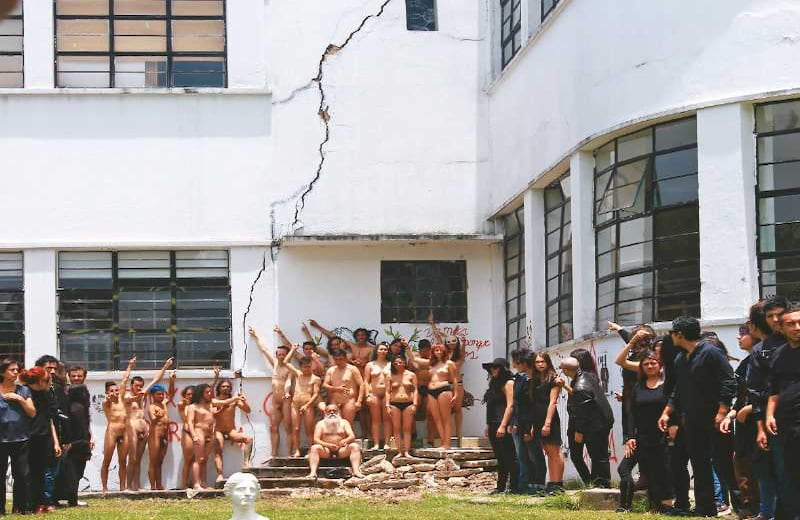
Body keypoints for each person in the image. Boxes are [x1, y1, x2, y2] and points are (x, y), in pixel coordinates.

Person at [658, 316, 739, 517]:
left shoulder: (711, 353)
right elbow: (679, 389)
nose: (671, 337)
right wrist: (667, 412)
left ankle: (743, 507)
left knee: (723, 463)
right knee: (699, 463)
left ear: (680, 334)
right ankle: (705, 509)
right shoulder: (681, 358)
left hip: (714, 419)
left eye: (672, 332)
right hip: (692, 420)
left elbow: (729, 382)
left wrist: (722, 412)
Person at [622, 351, 672, 513]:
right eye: (646, 364)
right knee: (649, 471)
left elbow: (675, 408)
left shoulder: (668, 385)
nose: (650, 366)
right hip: (644, 437)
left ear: (660, 365)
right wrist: (630, 437)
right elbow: (631, 414)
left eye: (653, 363)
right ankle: (654, 505)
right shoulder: (638, 387)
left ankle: (668, 505)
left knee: (664, 469)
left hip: (664, 435)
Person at [766, 304, 800, 519]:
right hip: (787, 425)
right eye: (791, 324)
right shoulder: (779, 354)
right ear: (781, 328)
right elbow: (774, 390)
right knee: (793, 473)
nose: (797, 327)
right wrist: (769, 415)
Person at [560, 356, 614, 488]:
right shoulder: (588, 376)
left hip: (594, 426)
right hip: (598, 422)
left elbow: (582, 413)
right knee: (588, 456)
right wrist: (565, 386)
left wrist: (579, 431)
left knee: (597, 456)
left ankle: (601, 485)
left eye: (562, 369)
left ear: (566, 370)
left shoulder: (580, 386)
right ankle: (593, 483)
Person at [124, 356, 173, 491]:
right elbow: (127, 392)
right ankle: (129, 486)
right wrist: (130, 366)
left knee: (138, 459)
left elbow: (156, 379)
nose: (139, 388)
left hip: (144, 428)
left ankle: (136, 485)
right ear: (131, 386)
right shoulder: (128, 396)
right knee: (132, 458)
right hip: (133, 427)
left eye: (141, 386)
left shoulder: (144, 393)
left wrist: (166, 366)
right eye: (136, 386)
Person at [19, 366, 61, 514]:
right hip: (28, 437)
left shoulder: (46, 394)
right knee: (30, 472)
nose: (49, 382)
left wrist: (56, 441)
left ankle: (43, 502)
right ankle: (32, 503)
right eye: (46, 379)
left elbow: (50, 420)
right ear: (39, 381)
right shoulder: (24, 392)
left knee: (45, 472)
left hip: (45, 437)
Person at [249, 326, 295, 458]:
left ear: (287, 356)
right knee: (273, 427)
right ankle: (273, 454)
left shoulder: (290, 368)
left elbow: (289, 382)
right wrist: (256, 336)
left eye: (283, 354)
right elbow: (264, 350)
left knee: (288, 427)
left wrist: (287, 391)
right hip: (275, 401)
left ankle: (289, 454)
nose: (281, 356)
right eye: (279, 354)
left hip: (286, 399)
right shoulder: (275, 364)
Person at [0, 357, 35, 515]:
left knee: (21, 474)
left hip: (21, 438)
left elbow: (32, 413)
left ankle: (20, 508)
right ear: (2, 372)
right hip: (1, 439)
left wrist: (19, 399)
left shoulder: (24, 390)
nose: (16, 372)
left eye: (17, 369)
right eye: (12, 369)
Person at [482, 357, 518, 494]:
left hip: (502, 423)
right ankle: (500, 486)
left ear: (503, 369)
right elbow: (491, 406)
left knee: (510, 456)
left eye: (496, 367)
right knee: (500, 457)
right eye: (491, 367)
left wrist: (503, 425)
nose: (493, 370)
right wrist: (488, 425)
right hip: (493, 423)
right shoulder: (494, 383)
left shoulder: (508, 383)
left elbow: (510, 405)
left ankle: (514, 486)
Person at [530, 352, 564, 494]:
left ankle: (558, 484)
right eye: (537, 362)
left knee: (555, 452)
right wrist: (533, 425)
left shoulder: (553, 379)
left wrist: (548, 423)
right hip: (537, 419)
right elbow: (534, 403)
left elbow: (553, 402)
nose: (540, 364)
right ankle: (552, 483)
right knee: (548, 452)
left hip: (549, 419)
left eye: (542, 361)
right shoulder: (535, 379)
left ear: (548, 362)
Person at [508, 348, 539, 493]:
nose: (514, 365)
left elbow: (533, 405)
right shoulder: (519, 379)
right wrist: (513, 422)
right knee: (521, 456)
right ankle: (523, 485)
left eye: (516, 362)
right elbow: (516, 403)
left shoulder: (534, 380)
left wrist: (530, 427)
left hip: (529, 423)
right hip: (518, 422)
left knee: (533, 455)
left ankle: (536, 484)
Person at [100, 357, 134, 493]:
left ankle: (122, 487)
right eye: (111, 391)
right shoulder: (106, 402)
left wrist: (130, 365)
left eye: (116, 390)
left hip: (124, 432)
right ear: (107, 393)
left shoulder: (121, 399)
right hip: (112, 431)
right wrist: (109, 399)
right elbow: (108, 402)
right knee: (107, 460)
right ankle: (104, 488)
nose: (114, 393)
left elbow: (125, 379)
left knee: (122, 461)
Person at [306, 403, 365, 479]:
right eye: (329, 411)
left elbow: (352, 436)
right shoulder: (320, 424)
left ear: (338, 412)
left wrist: (345, 440)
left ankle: (356, 471)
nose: (332, 413)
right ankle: (313, 473)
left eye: (334, 411)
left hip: (341, 450)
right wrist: (327, 445)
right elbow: (316, 440)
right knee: (314, 448)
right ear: (325, 412)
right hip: (326, 450)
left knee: (355, 446)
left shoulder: (344, 422)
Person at [212, 379, 254, 475]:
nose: (226, 388)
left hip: (231, 430)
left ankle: (246, 462)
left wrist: (244, 401)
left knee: (248, 439)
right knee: (218, 449)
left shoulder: (234, 401)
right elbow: (214, 414)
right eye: (223, 386)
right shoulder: (215, 400)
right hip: (219, 430)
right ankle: (220, 475)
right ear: (219, 388)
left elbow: (248, 410)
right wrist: (223, 408)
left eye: (228, 386)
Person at [61, 384, 91, 507]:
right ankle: (73, 500)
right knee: (75, 474)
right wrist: (82, 445)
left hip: (74, 445)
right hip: (77, 445)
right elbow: (81, 430)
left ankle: (72, 499)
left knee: (73, 474)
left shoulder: (71, 407)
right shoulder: (78, 408)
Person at [283, 356, 320, 455]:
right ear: (301, 367)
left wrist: (307, 405)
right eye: (304, 367)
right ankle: (297, 450)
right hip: (295, 404)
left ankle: (310, 450)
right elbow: (286, 362)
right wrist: (292, 349)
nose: (306, 369)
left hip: (308, 405)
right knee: (296, 428)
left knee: (309, 429)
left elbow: (316, 394)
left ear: (311, 366)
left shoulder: (315, 378)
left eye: (308, 366)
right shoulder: (298, 374)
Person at [147, 373, 177, 490]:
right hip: (155, 435)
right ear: (153, 395)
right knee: (153, 462)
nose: (161, 396)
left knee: (160, 462)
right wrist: (158, 416)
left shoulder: (163, 404)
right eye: (158, 394)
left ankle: (159, 485)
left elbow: (170, 396)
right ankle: (152, 487)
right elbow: (153, 421)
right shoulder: (152, 407)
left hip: (164, 435)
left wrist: (171, 381)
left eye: (161, 394)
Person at [386, 355, 418, 457]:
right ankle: (400, 451)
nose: (398, 365)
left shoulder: (411, 375)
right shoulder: (390, 375)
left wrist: (415, 403)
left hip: (408, 403)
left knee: (407, 428)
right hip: (394, 403)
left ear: (405, 363)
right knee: (396, 428)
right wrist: (387, 405)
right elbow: (387, 391)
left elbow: (416, 390)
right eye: (396, 363)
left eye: (400, 362)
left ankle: (407, 451)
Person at [322, 349, 364, 426]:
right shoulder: (331, 370)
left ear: (345, 358)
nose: (338, 362)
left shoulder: (352, 369)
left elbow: (361, 384)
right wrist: (336, 389)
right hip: (335, 400)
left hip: (349, 400)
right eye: (336, 359)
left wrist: (359, 401)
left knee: (347, 424)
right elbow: (325, 384)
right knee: (335, 424)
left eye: (340, 359)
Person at [187, 383, 216, 492]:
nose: (209, 394)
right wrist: (194, 435)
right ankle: (196, 483)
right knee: (198, 459)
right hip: (199, 432)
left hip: (210, 434)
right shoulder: (193, 406)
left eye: (210, 392)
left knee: (205, 459)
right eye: (207, 392)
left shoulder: (210, 405)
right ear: (200, 393)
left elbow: (224, 402)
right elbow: (190, 422)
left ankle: (204, 482)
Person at [364, 343, 392, 449]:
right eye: (381, 349)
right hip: (374, 393)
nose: (383, 351)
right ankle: (376, 444)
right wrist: (367, 395)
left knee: (387, 419)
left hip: (387, 393)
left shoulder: (391, 364)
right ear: (376, 351)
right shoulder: (370, 365)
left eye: (385, 349)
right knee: (375, 419)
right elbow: (366, 381)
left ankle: (387, 443)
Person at [178, 385, 195, 489]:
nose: (190, 396)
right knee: (188, 459)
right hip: (187, 432)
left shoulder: (198, 405)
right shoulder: (182, 404)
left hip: (198, 434)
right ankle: (184, 485)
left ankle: (195, 484)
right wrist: (186, 402)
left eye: (192, 394)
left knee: (197, 460)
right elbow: (181, 403)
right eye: (188, 394)